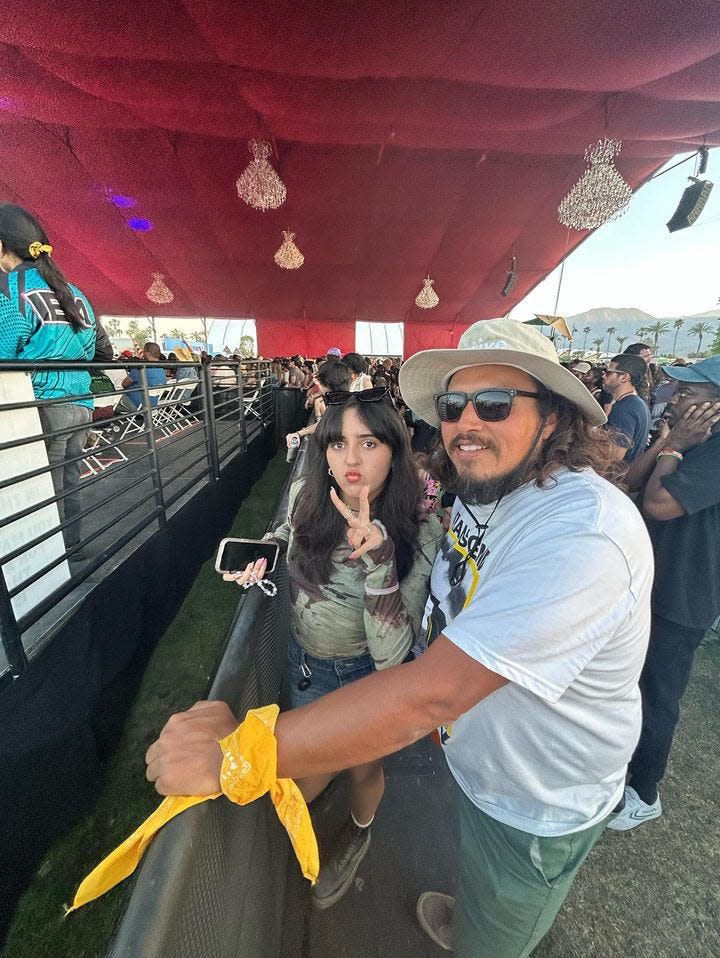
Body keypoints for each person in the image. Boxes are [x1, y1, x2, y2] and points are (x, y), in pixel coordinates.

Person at [145, 318, 653, 958]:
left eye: (494, 403)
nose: (467, 422)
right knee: (476, 874)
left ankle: (485, 937)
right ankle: (475, 917)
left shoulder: (583, 533)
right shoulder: (484, 492)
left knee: (497, 932)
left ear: (553, 418)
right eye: (452, 404)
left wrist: (236, 755)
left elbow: (428, 694)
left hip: (535, 799)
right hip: (479, 762)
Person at [227, 392, 443, 908]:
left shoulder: (422, 530)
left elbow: (393, 656)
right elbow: (285, 533)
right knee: (306, 779)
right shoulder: (309, 493)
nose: (350, 459)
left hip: (366, 676)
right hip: (305, 664)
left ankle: (357, 833)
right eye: (338, 443)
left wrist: (379, 561)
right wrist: (265, 552)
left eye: (368, 443)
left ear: (394, 449)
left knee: (361, 769)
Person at [612, 356, 720, 830]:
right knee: (631, 685)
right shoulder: (688, 439)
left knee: (658, 693)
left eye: (688, 392)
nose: (674, 396)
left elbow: (657, 504)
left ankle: (645, 790)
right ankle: (624, 770)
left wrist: (674, 446)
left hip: (683, 594)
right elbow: (626, 482)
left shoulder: (713, 453)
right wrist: (668, 442)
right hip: (650, 584)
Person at [0, 202, 111, 551]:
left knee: (43, 490)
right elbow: (100, 351)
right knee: (69, 484)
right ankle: (71, 553)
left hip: (42, 406)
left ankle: (49, 563)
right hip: (80, 404)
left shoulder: (11, 288)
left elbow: (4, 351)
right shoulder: (75, 292)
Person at [285, 360, 351, 447]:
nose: (316, 382)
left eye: (319, 380)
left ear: (326, 382)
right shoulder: (338, 401)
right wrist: (299, 433)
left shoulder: (343, 406)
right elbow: (325, 423)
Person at [602, 353, 651, 462]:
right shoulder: (636, 404)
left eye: (608, 372)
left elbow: (614, 455)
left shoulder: (624, 409)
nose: (604, 376)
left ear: (625, 377)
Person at [117, 341, 167, 413]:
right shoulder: (161, 370)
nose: (143, 353)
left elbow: (124, 384)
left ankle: (107, 423)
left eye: (144, 351)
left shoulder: (141, 368)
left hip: (137, 404)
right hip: (153, 405)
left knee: (110, 402)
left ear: (148, 353)